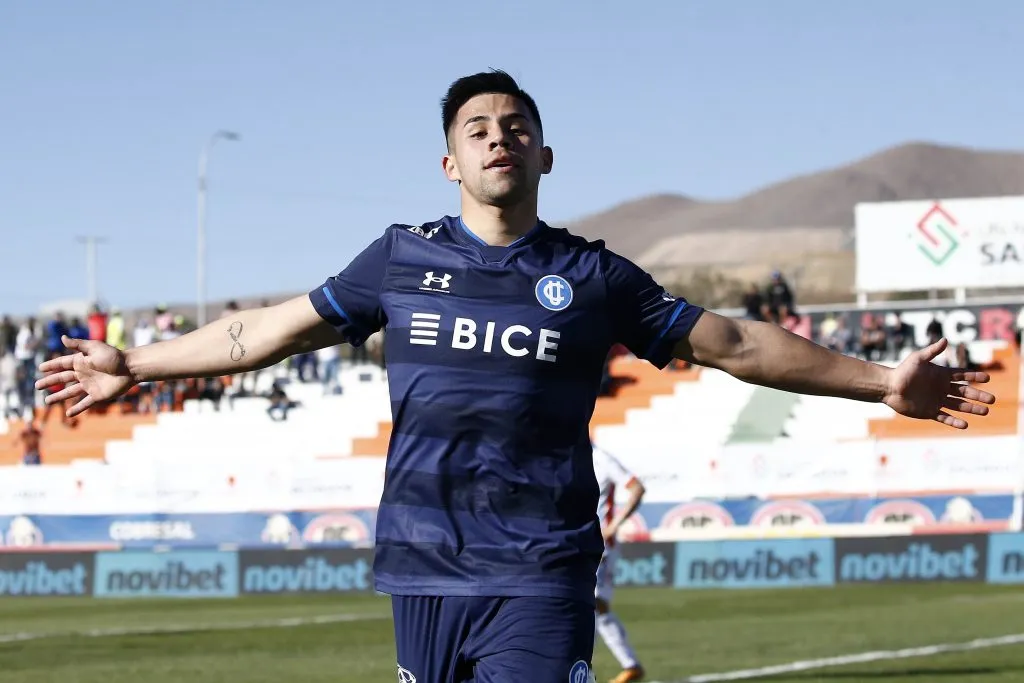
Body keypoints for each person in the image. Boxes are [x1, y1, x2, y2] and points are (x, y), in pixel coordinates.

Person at [36, 70, 995, 683]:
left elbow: (735, 344)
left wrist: (880, 381)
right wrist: (137, 363)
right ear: (449, 160)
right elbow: (267, 331)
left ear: (544, 152)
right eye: (478, 127)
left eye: (516, 124)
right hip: (421, 562)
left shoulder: (593, 276)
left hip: (538, 565)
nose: (499, 135)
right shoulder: (398, 258)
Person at [592, 445, 646, 683]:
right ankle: (630, 665)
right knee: (596, 605)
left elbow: (637, 488)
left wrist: (613, 526)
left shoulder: (601, 459)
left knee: (593, 602)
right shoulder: (564, 455)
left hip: (601, 545)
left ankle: (582, 665)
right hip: (577, 543)